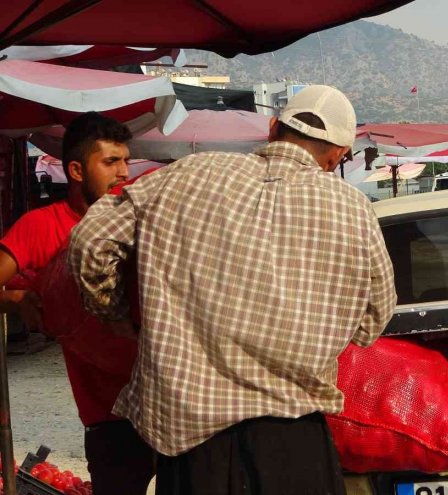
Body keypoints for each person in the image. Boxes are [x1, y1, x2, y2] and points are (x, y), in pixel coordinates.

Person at [68, 85, 397, 495]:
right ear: (338, 154)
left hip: (193, 443)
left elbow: (90, 240)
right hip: (295, 441)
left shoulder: (189, 173)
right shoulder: (352, 208)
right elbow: (374, 318)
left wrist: (118, 314)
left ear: (273, 127)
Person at [0, 112, 155, 494]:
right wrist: (17, 299)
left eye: (125, 160)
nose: (122, 172)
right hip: (110, 414)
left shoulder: (143, 215)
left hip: (170, 395)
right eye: (109, 162)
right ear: (76, 170)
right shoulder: (42, 225)